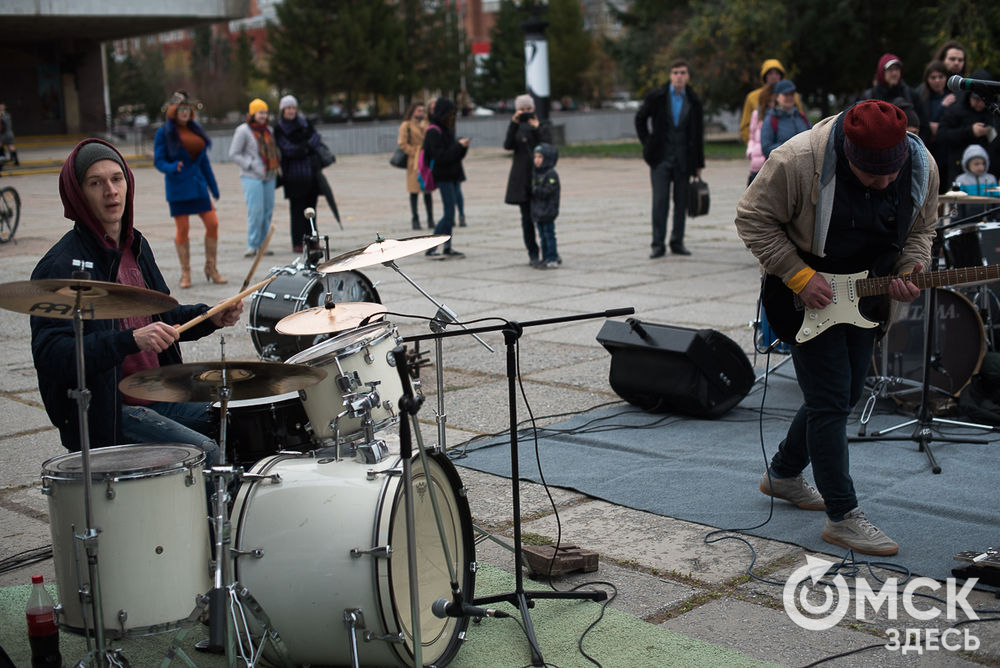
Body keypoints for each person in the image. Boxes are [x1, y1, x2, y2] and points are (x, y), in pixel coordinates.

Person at [735, 100, 939, 556]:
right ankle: (842, 516)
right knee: (829, 400)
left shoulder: (922, 164)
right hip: (805, 291)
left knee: (846, 395)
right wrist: (799, 275)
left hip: (866, 292)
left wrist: (912, 266)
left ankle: (784, 474)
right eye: (873, 176)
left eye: (892, 173)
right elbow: (751, 217)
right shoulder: (796, 159)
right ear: (848, 153)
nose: (886, 183)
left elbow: (922, 228)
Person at [30, 139, 244, 465]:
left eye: (117, 179)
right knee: (207, 452)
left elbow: (161, 318)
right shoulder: (62, 267)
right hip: (110, 412)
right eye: (96, 183)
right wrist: (127, 342)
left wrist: (209, 316)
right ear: (78, 194)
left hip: (156, 395)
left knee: (239, 421)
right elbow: (52, 355)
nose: (111, 191)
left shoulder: (135, 246)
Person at [153, 91, 227, 288]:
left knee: (213, 223)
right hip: (178, 187)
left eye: (188, 109)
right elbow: (158, 160)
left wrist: (213, 187)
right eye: (181, 109)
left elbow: (204, 163)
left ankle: (211, 268)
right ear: (174, 111)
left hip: (198, 185)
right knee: (183, 229)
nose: (185, 113)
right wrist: (172, 167)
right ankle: (186, 272)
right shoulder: (164, 133)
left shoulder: (197, 130)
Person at [634, 59, 704, 257]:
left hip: (684, 159)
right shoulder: (657, 97)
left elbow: (699, 134)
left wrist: (699, 163)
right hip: (660, 158)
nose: (679, 76)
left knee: (681, 203)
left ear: (688, 76)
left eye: (682, 72)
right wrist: (648, 143)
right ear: (670, 75)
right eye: (675, 72)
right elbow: (640, 118)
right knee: (660, 202)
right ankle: (657, 244)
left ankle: (677, 241)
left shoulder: (694, 100)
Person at [504, 93, 551, 266]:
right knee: (526, 219)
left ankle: (548, 251)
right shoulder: (516, 127)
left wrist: (537, 127)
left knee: (542, 216)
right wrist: (514, 122)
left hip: (539, 178)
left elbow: (548, 147)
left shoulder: (541, 125)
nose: (526, 112)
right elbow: (507, 145)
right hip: (522, 179)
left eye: (528, 109)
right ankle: (533, 252)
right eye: (522, 109)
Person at [229, 98, 279, 257]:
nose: (263, 115)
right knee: (255, 211)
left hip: (270, 175)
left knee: (267, 211)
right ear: (252, 114)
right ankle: (253, 244)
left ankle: (263, 245)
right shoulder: (243, 130)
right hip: (251, 176)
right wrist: (250, 164)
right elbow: (234, 153)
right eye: (260, 112)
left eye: (265, 112)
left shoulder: (269, 130)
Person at [273, 95, 322, 252]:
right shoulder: (279, 128)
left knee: (312, 209)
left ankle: (313, 239)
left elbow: (316, 138)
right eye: (288, 108)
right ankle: (299, 242)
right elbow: (287, 149)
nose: (291, 111)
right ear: (283, 110)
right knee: (296, 210)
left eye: (293, 108)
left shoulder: (305, 122)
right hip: (293, 176)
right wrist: (305, 148)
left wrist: (304, 147)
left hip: (310, 173)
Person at [937, 69, 999, 188]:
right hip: (959, 174)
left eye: (983, 99)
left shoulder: (994, 111)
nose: (980, 103)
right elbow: (942, 136)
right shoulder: (955, 110)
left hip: (990, 178)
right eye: (976, 99)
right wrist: (970, 131)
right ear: (969, 95)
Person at [422, 97, 468, 258]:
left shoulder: (447, 129)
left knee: (451, 213)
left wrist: (462, 147)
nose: (453, 117)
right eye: (451, 113)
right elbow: (440, 157)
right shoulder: (433, 131)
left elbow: (455, 156)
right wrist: (458, 146)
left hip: (454, 175)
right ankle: (431, 247)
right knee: (449, 214)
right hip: (444, 176)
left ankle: (447, 247)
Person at [858, 54, 928, 142]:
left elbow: (924, 126)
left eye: (897, 69)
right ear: (882, 72)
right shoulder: (870, 96)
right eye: (890, 70)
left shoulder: (911, 94)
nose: (894, 73)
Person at [739, 59, 804, 145]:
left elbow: (800, 119)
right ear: (764, 76)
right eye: (770, 73)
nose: (773, 77)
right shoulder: (752, 97)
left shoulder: (793, 96)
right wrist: (754, 144)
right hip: (762, 147)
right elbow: (745, 126)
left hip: (788, 143)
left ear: (781, 76)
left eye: (777, 73)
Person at [399, 101, 433, 230]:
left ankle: (430, 219)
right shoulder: (406, 125)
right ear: (413, 111)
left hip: (426, 160)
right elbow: (402, 143)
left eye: (423, 111)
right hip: (414, 162)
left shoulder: (426, 124)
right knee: (414, 191)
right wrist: (414, 152)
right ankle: (415, 219)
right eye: (419, 110)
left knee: (427, 190)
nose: (421, 113)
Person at [761, 80, 810, 159]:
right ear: (776, 97)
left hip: (804, 168)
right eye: (785, 94)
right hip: (781, 169)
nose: (789, 97)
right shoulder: (770, 120)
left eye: (791, 94)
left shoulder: (802, 118)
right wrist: (791, 146)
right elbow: (766, 150)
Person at [530, 142, 561, 269]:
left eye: (540, 157)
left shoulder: (551, 174)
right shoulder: (536, 173)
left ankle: (552, 258)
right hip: (538, 212)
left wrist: (535, 190)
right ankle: (545, 257)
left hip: (548, 211)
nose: (537, 160)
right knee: (542, 237)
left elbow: (549, 191)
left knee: (549, 235)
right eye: (535, 157)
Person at [953, 144, 999, 222]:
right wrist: (957, 221)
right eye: (976, 164)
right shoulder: (958, 180)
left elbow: (997, 201)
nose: (981, 167)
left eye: (983, 163)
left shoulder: (992, 178)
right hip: (966, 220)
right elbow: (954, 202)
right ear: (967, 164)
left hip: (988, 219)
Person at [745, 82, 776, 186]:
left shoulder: (779, 117)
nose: (772, 103)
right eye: (770, 100)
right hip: (757, 162)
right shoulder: (757, 115)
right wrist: (750, 151)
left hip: (772, 161)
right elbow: (752, 136)